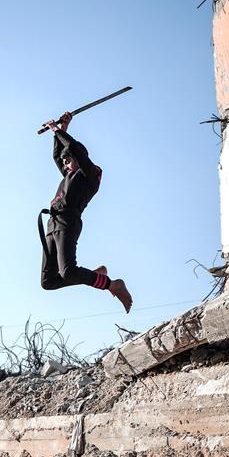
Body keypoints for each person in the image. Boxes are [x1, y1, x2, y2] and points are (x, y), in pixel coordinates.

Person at [39, 112, 133, 313]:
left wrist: (56, 130)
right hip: (52, 225)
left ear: (79, 158)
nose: (65, 165)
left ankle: (112, 284)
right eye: (64, 162)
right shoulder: (69, 174)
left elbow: (74, 149)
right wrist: (62, 130)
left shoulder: (89, 173)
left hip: (68, 221)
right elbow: (59, 155)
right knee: (48, 281)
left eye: (68, 160)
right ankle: (95, 276)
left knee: (68, 272)